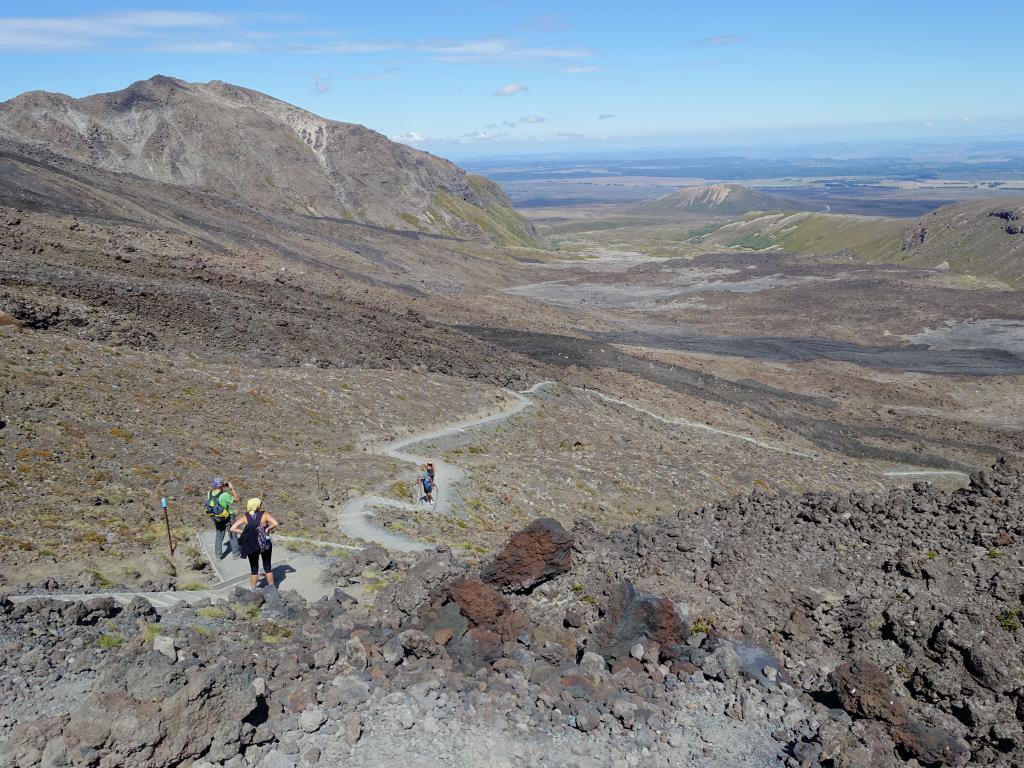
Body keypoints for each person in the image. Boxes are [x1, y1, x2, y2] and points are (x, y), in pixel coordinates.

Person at [231, 497, 279, 590]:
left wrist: (243, 532)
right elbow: (275, 523)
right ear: (257, 506)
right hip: (265, 544)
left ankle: (253, 589)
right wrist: (267, 529)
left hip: (251, 545)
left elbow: (232, 528)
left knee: (254, 569)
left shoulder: (245, 517)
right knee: (267, 567)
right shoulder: (264, 514)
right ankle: (272, 589)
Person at [206, 477, 239, 560]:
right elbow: (236, 499)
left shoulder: (209, 494)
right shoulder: (224, 495)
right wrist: (232, 489)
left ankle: (218, 556)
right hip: (228, 517)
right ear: (221, 485)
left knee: (219, 535)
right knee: (232, 535)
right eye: (223, 484)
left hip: (217, 517)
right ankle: (236, 554)